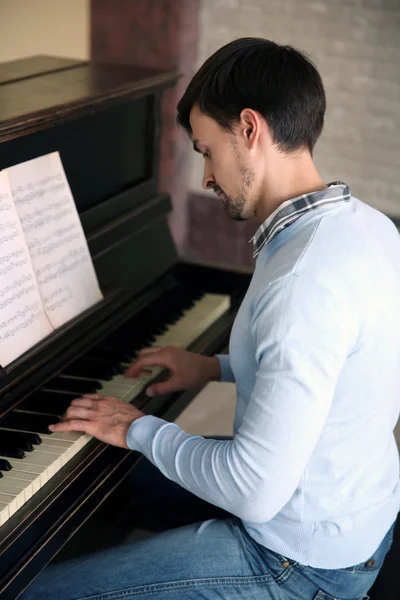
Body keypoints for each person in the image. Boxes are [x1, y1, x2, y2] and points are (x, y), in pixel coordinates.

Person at [22, 37, 400, 600]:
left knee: (34, 590)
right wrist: (213, 368)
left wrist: (135, 427)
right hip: (354, 511)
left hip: (300, 560)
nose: (205, 175)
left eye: (205, 150)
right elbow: (322, 360)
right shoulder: (367, 226)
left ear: (250, 129)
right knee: (115, 480)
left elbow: (253, 490)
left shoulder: (302, 281)